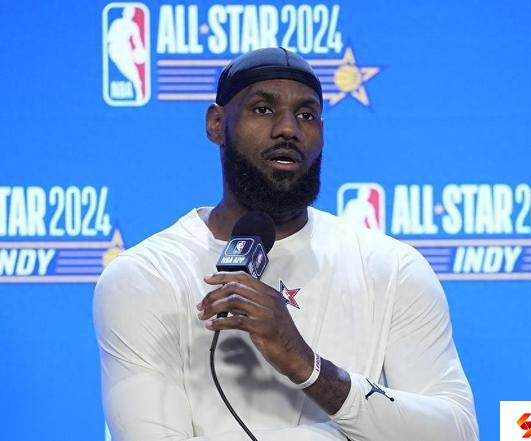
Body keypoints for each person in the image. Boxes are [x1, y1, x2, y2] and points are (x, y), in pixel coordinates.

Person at [93, 47, 478, 441]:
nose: (288, 129)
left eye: (306, 114)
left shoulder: (391, 267)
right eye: (263, 109)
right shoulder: (144, 276)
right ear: (216, 124)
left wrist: (309, 367)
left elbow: (457, 432)